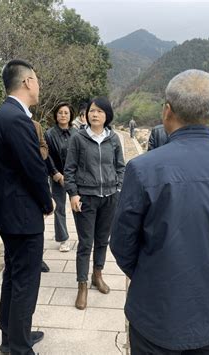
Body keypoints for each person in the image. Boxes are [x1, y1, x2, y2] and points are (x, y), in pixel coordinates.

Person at [110, 69, 209, 355]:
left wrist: (151, 274)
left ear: (167, 110)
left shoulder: (143, 170)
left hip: (155, 317)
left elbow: (121, 245)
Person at [0, 59, 54, 355]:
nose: (39, 86)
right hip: (22, 215)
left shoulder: (6, 114)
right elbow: (33, 169)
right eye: (36, 80)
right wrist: (46, 201)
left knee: (14, 277)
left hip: (10, 212)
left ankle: (13, 336)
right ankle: (19, 347)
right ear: (27, 82)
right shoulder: (16, 119)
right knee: (25, 282)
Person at [64, 97, 125, 310]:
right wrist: (73, 193)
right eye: (92, 111)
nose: (94, 114)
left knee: (102, 240)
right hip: (86, 199)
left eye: (99, 111)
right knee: (85, 243)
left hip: (109, 198)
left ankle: (97, 275)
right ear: (86, 115)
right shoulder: (78, 138)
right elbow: (69, 169)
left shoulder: (114, 139)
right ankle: (82, 285)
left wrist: (118, 187)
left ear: (107, 115)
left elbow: (120, 166)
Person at [0, 118, 51, 274]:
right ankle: (12, 260)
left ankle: (35, 259)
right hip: (11, 189)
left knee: (33, 229)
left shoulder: (36, 126)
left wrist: (32, 154)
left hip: (31, 186)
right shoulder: (5, 123)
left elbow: (43, 146)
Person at [44, 102, 77, 252]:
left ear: (70, 116)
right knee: (59, 207)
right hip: (57, 175)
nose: (63, 115)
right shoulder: (49, 134)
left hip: (75, 176)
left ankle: (85, 237)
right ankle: (63, 239)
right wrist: (55, 174)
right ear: (56, 115)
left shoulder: (77, 133)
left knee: (79, 206)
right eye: (60, 113)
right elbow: (47, 156)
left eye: (66, 113)